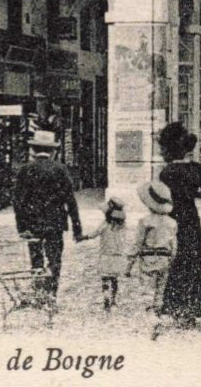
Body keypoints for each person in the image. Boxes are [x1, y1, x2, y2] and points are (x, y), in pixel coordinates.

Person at [13, 128, 83, 307]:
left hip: (33, 224)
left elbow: (18, 202)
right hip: (55, 223)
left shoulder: (25, 170)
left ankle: (38, 294)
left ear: (34, 150)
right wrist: (77, 228)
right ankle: (51, 296)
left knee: (36, 259)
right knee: (54, 260)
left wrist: (22, 228)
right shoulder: (60, 170)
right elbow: (70, 200)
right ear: (53, 151)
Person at [156, 122, 201, 327]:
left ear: (170, 149)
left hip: (174, 218)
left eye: (163, 148)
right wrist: (193, 194)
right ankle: (194, 307)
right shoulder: (195, 169)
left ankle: (176, 307)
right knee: (194, 261)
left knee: (176, 261)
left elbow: (161, 199)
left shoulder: (167, 172)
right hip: (191, 218)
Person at [128, 178, 176, 334]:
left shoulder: (145, 222)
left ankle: (151, 318)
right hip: (165, 259)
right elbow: (173, 245)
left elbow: (137, 244)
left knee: (148, 288)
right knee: (160, 289)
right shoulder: (172, 223)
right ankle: (157, 313)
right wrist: (171, 260)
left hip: (148, 259)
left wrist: (129, 265)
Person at [88, 197, 128, 312]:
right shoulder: (123, 226)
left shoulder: (105, 225)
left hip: (105, 256)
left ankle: (106, 298)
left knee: (105, 279)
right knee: (115, 279)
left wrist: (83, 237)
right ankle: (114, 299)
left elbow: (94, 234)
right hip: (118, 256)